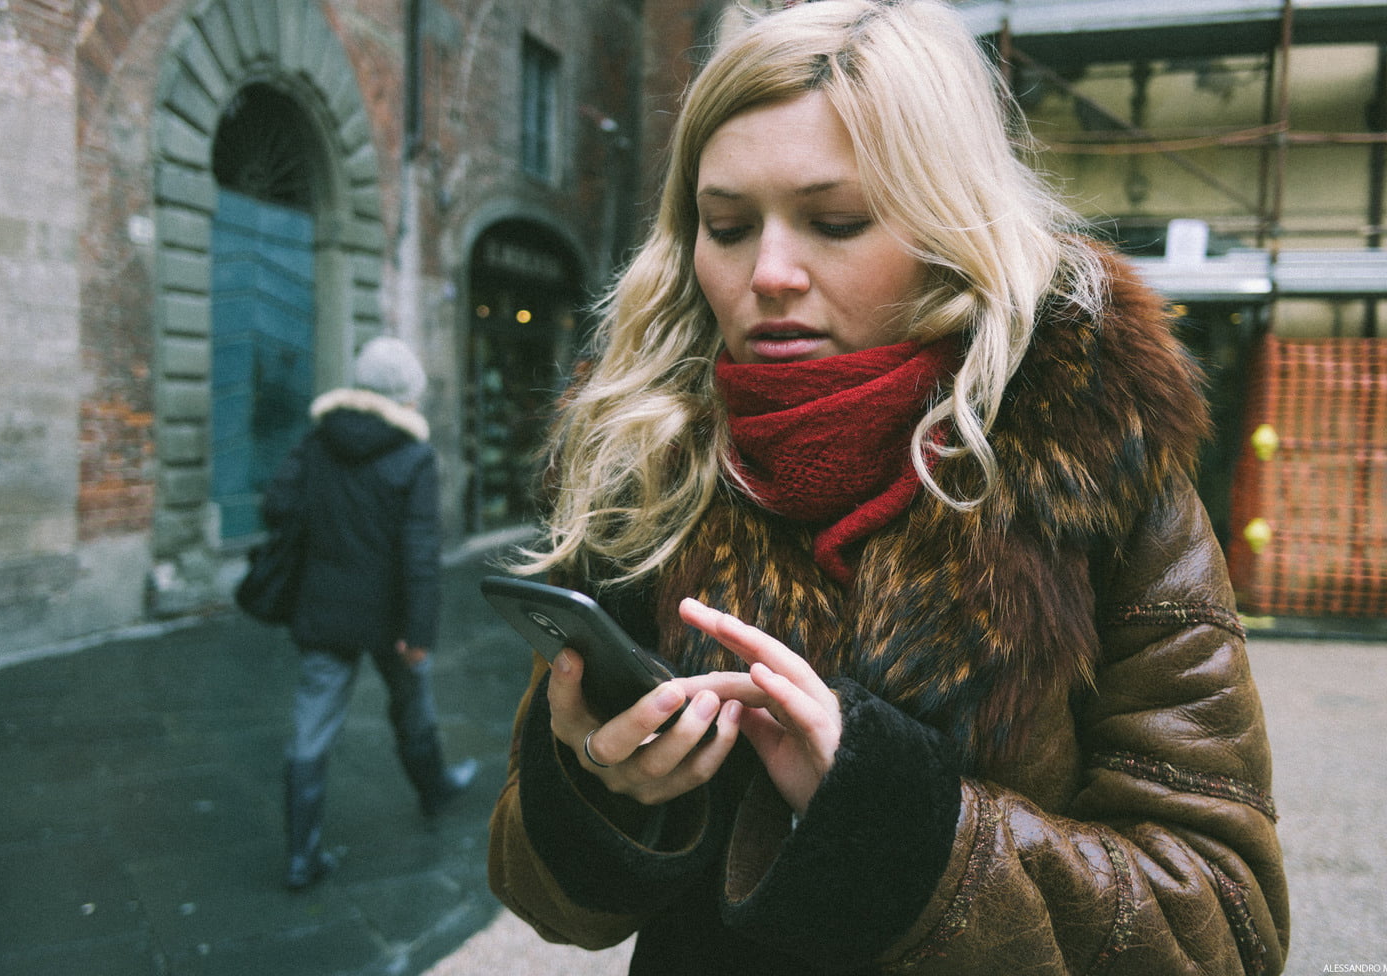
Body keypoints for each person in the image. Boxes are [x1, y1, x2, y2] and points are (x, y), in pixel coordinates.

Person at [487, 1, 1289, 972]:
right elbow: (545, 899)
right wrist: (598, 782)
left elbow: (1227, 925)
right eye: (727, 225)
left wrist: (903, 827)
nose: (769, 273)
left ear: (948, 226)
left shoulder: (1094, 455)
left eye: (835, 221)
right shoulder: (647, 462)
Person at [265, 335, 477, 891]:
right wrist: (420, 632)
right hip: (391, 620)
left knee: (312, 727)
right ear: (406, 396)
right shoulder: (414, 456)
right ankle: (434, 788)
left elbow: (277, 507)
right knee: (411, 705)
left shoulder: (317, 440)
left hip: (324, 609)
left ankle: (300, 855)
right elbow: (419, 556)